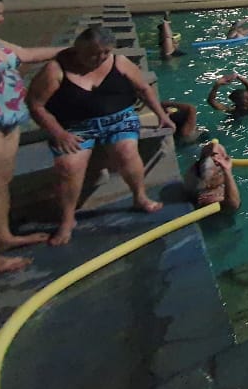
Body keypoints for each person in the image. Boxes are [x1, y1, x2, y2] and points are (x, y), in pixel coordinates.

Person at [26, 26, 174, 246]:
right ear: (78, 49)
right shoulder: (56, 69)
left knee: (126, 152)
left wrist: (162, 115)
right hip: (76, 127)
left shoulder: (119, 62)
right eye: (92, 54)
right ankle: (67, 220)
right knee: (69, 166)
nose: (99, 58)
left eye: (104, 53)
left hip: (119, 120)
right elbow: (35, 104)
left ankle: (140, 197)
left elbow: (144, 88)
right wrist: (58, 132)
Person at [0, 0, 65, 272]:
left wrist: (70, 49)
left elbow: (26, 55)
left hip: (9, 118)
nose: (2, 19)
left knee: (1, 182)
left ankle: (2, 236)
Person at [183, 140, 241, 212]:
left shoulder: (196, 173)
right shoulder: (207, 198)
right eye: (219, 164)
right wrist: (227, 171)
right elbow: (234, 204)